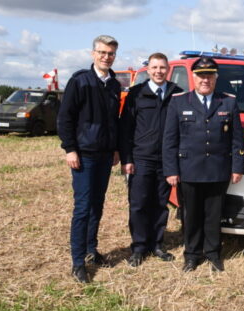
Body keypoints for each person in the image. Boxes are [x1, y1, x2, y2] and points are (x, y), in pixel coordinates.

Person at [163, 56, 244, 272]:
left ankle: (213, 254)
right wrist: (171, 170)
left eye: (209, 75)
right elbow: (170, 140)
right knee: (191, 216)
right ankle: (191, 255)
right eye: (201, 75)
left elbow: (237, 139)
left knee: (214, 215)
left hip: (218, 170)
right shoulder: (179, 102)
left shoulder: (227, 102)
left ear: (215, 78)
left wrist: (237, 167)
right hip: (188, 170)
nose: (205, 80)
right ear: (194, 77)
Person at [58, 35, 121, 283]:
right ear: (93, 53)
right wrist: (70, 149)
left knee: (97, 205)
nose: (107, 57)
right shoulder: (80, 81)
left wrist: (116, 148)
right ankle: (77, 263)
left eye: (111, 53)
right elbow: (65, 118)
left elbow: (114, 121)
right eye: (103, 52)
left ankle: (91, 250)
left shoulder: (114, 84)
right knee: (83, 208)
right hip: (84, 155)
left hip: (106, 155)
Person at [119, 53, 183, 267]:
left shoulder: (176, 94)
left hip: (166, 160)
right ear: (148, 69)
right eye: (154, 67)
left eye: (162, 68)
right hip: (141, 158)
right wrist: (127, 158)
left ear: (167, 70)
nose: (158, 71)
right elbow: (126, 128)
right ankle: (138, 247)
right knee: (138, 204)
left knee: (160, 204)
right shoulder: (137, 94)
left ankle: (156, 244)